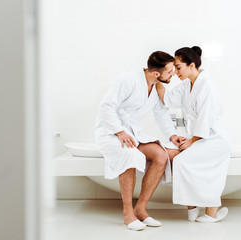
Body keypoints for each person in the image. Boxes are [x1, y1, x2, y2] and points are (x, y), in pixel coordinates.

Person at [95, 51, 181, 231]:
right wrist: (119, 132)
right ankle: (128, 213)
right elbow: (106, 106)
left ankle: (141, 209)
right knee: (130, 155)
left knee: (160, 155)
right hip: (110, 132)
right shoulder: (128, 80)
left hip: (132, 133)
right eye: (170, 71)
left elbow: (161, 114)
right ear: (157, 73)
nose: (173, 74)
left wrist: (173, 136)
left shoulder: (156, 87)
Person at [156, 46, 231, 223]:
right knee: (178, 159)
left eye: (178, 67)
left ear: (191, 65)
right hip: (200, 138)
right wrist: (156, 75)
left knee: (182, 161)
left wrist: (192, 141)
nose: (175, 71)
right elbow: (166, 99)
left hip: (214, 139)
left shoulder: (207, 85)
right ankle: (193, 206)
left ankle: (209, 211)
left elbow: (206, 118)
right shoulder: (186, 85)